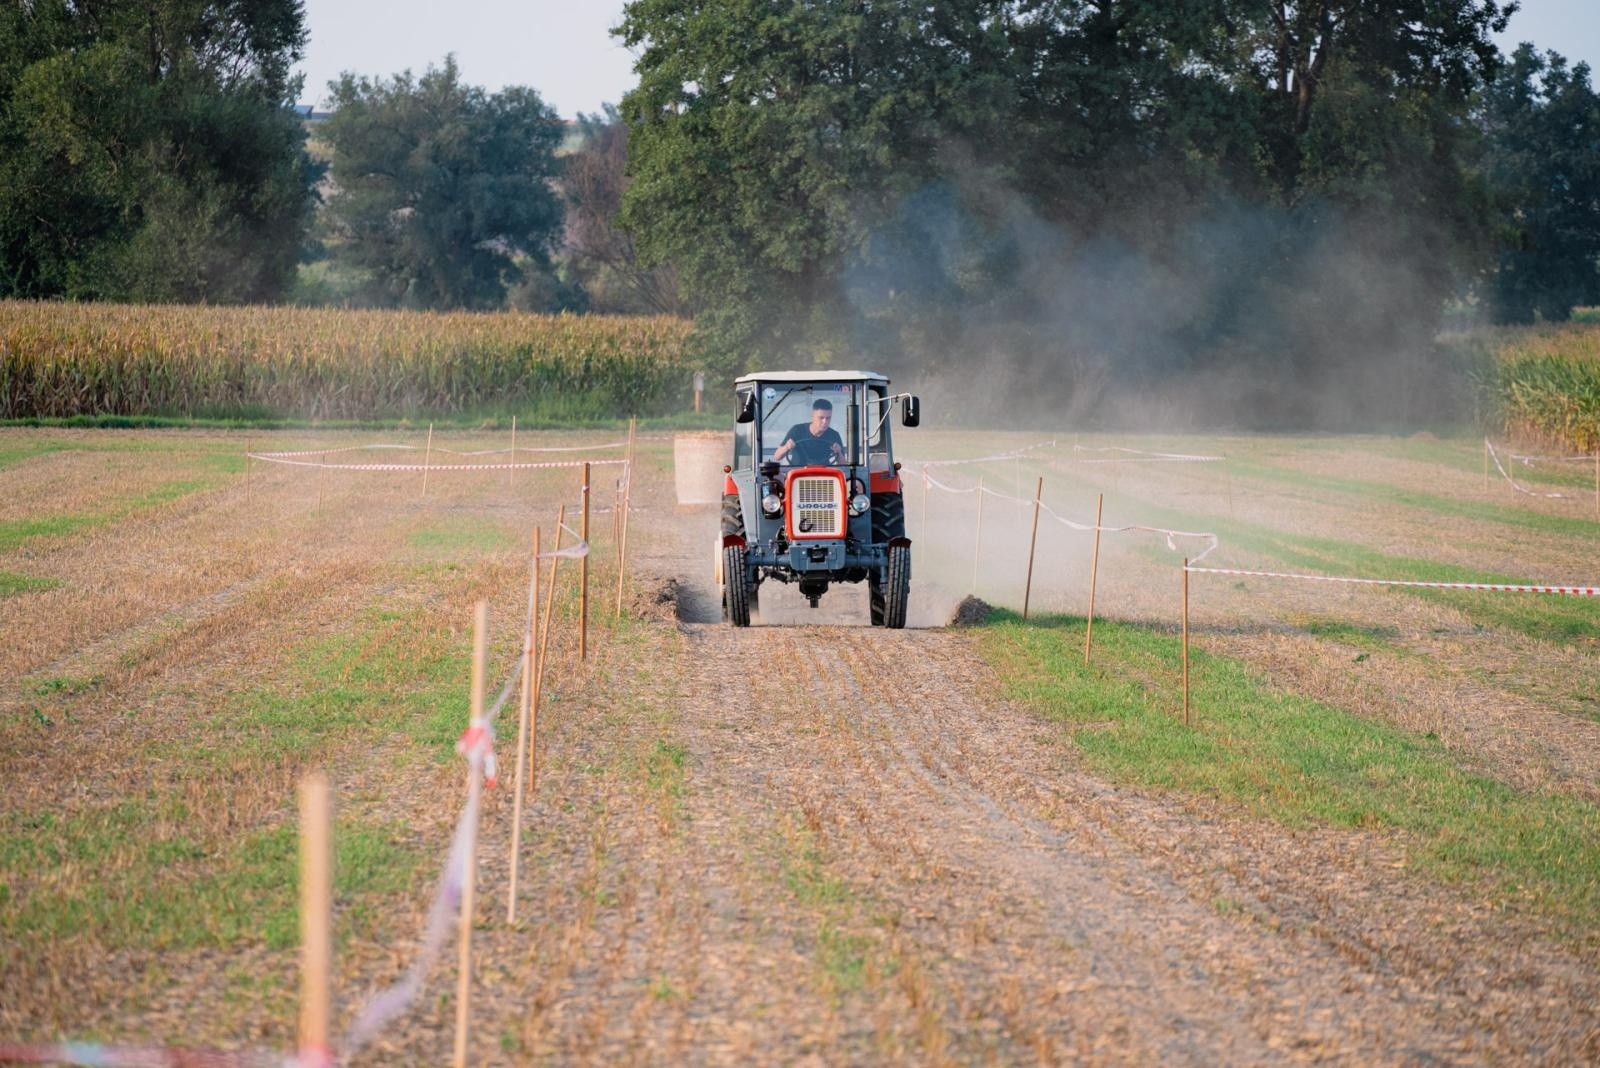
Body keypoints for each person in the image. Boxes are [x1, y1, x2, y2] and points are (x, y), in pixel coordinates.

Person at [774, 398, 846, 465]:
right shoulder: (797, 430)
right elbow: (777, 457)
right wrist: (786, 447)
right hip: (798, 473)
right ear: (812, 416)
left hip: (823, 474)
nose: (825, 422)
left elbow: (843, 465)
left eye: (828, 418)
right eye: (821, 418)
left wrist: (839, 452)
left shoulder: (833, 435)